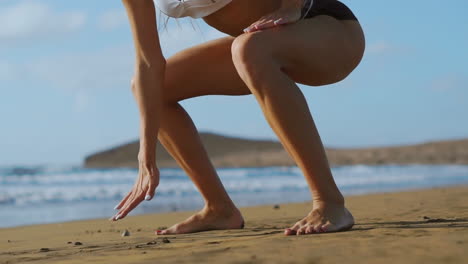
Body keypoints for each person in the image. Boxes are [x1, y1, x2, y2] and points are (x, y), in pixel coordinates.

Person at [111, 0, 365, 236]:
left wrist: (292, 5)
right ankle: (219, 209)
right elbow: (147, 63)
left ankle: (329, 203)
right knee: (156, 89)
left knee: (247, 47)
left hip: (326, 28)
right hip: (259, 47)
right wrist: (146, 151)